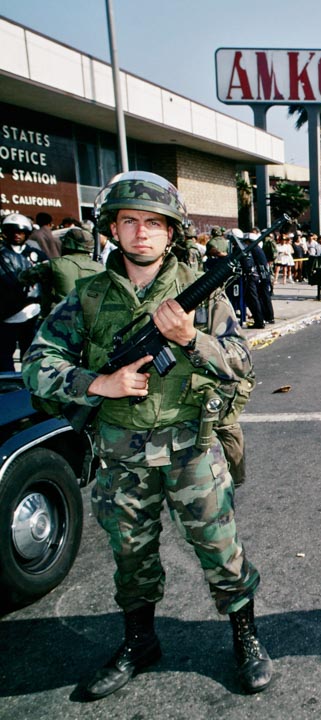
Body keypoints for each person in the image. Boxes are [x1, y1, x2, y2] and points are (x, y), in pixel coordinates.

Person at [21, 171, 272, 697]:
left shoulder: (199, 295)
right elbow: (38, 362)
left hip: (191, 450)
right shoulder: (88, 297)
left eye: (153, 223)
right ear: (113, 227)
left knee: (220, 550)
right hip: (121, 455)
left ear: (171, 232)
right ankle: (139, 642)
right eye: (129, 221)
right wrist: (99, 383)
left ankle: (246, 638)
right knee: (131, 555)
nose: (141, 233)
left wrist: (193, 338)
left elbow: (242, 362)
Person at [18, 227, 104, 316]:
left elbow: (23, 278)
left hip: (57, 321)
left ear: (66, 243)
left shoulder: (53, 265)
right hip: (91, 321)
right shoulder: (101, 268)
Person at [0, 213, 47, 371]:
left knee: (30, 351)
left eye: (20, 232)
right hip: (6, 312)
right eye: (12, 232)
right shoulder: (1, 254)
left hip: (32, 310)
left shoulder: (36, 254)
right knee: (5, 353)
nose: (17, 235)